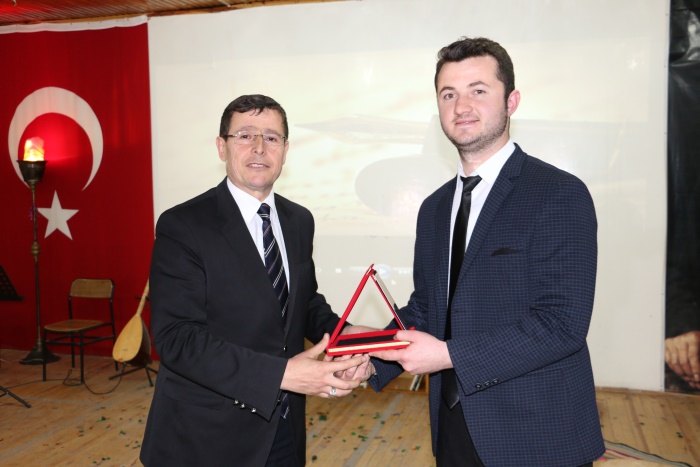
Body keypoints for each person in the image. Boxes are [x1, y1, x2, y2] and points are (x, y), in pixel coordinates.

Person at [349, 37, 605, 466]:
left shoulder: (559, 193)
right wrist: (375, 356)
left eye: (478, 90)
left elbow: (562, 325)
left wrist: (445, 355)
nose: (462, 106)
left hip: (537, 435)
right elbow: (429, 309)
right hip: (452, 427)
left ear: (512, 101)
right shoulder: (433, 208)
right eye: (448, 94)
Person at [140, 94, 368, 467]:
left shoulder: (299, 220)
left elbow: (303, 303)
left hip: (284, 428)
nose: (259, 147)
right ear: (221, 147)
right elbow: (177, 338)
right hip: (206, 437)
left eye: (272, 137)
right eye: (245, 135)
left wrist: (346, 335)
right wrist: (280, 374)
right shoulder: (183, 225)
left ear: (285, 150)